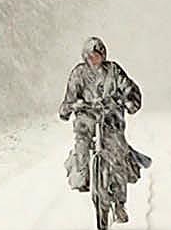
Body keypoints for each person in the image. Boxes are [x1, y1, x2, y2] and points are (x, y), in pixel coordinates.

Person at [59, 36, 146, 198]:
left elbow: (128, 87)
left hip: (111, 117)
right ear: (85, 57)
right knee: (82, 143)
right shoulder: (78, 73)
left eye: (96, 55)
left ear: (103, 55)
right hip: (86, 117)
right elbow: (70, 97)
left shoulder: (113, 70)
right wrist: (68, 108)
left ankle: (120, 199)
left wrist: (130, 100)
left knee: (117, 151)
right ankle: (81, 175)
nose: (93, 60)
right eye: (89, 56)